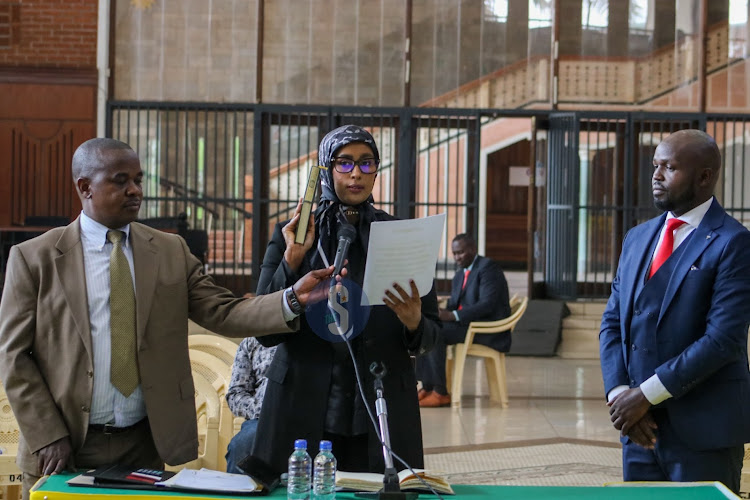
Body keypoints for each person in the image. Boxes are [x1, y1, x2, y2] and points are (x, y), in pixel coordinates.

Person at [0, 138, 335, 500]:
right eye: (120, 180)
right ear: (85, 187)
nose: (135, 190)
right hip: (64, 446)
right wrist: (48, 436)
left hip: (144, 445)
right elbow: (14, 357)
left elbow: (223, 311)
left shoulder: (170, 251)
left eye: (138, 180)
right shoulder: (34, 259)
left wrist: (290, 299)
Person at [247, 125, 441, 476]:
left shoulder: (400, 237)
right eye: (344, 163)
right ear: (326, 168)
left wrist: (414, 321)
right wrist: (291, 263)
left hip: (379, 410)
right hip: (303, 408)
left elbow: (432, 338)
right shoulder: (292, 235)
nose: (356, 173)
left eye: (367, 164)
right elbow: (264, 331)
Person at [599, 129, 750, 493]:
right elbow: (611, 323)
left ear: (704, 176)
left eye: (670, 167)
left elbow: (722, 340)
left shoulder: (734, 242)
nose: (656, 175)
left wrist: (645, 395)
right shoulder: (637, 238)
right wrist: (621, 395)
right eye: (656, 165)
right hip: (637, 427)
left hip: (703, 430)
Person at [416, 233, 511, 407]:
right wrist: (440, 310)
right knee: (427, 327)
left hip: (486, 329)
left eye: (461, 252)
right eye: (454, 253)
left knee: (437, 332)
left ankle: (440, 392)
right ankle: (427, 387)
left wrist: (453, 316)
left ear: (473, 250)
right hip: (467, 325)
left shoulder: (488, 268)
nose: (457, 257)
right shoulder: (460, 275)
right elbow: (454, 304)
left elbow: (487, 304)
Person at [224, 336, 276, 473]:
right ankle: (236, 493)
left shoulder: (319, 337)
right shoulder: (252, 343)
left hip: (306, 416)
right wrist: (262, 410)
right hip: (261, 419)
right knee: (243, 443)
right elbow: (235, 393)